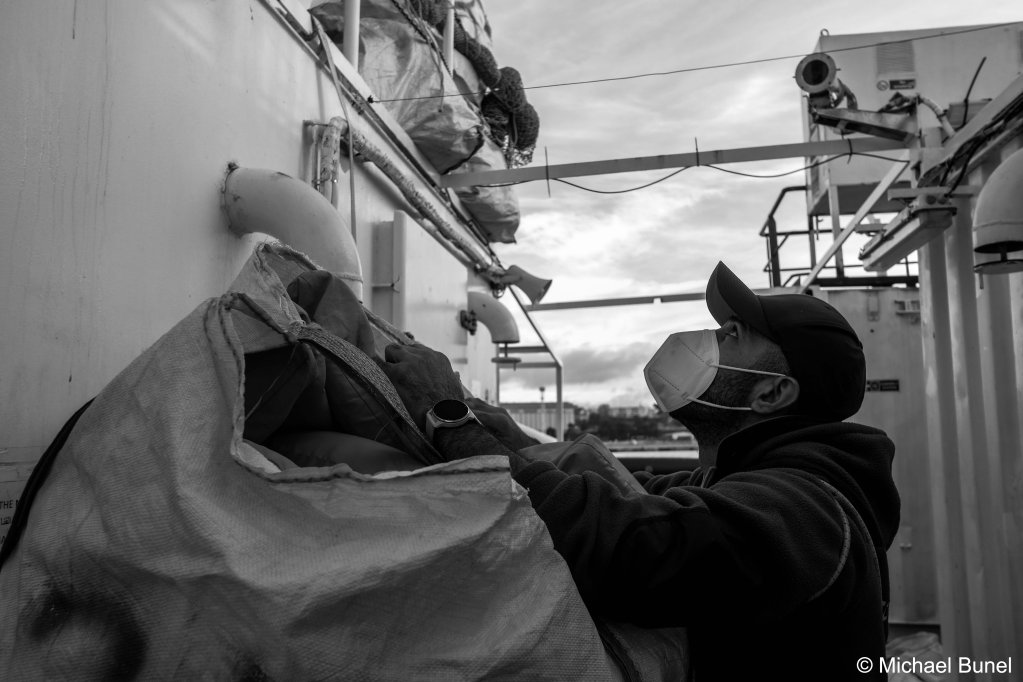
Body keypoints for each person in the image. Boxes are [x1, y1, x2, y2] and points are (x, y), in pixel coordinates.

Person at [379, 262, 900, 682]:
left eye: (732, 335)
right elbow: (621, 492)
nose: (707, 340)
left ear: (771, 393)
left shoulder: (805, 511)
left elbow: (625, 548)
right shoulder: (735, 479)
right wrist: (510, 438)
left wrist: (449, 416)